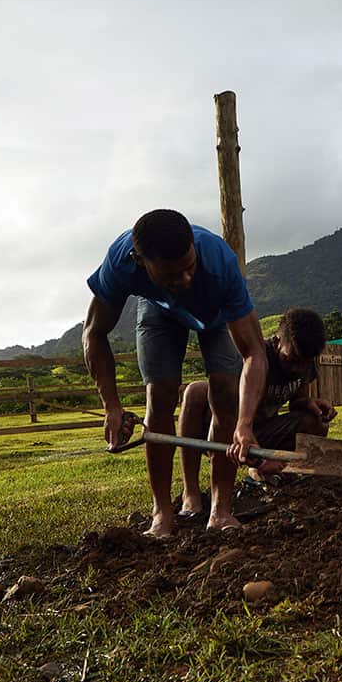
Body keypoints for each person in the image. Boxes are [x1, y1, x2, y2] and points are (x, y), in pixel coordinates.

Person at [83, 209, 267, 537]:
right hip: (159, 311)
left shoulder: (219, 262)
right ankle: (163, 514)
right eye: (172, 274)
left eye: (189, 267)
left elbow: (254, 351)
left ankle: (221, 510)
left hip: (216, 316)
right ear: (140, 261)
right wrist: (111, 406)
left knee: (225, 392)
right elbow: (93, 333)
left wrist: (245, 422)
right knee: (160, 396)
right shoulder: (120, 261)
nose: (184, 279)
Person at [176, 308, 336, 511]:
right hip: (229, 432)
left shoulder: (304, 364)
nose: (296, 368)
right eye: (291, 359)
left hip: (265, 431)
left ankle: (278, 471)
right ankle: (190, 493)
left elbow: (297, 400)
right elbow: (227, 409)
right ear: (277, 342)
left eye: (303, 363)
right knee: (195, 391)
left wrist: (308, 403)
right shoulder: (256, 358)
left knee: (316, 421)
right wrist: (258, 459)